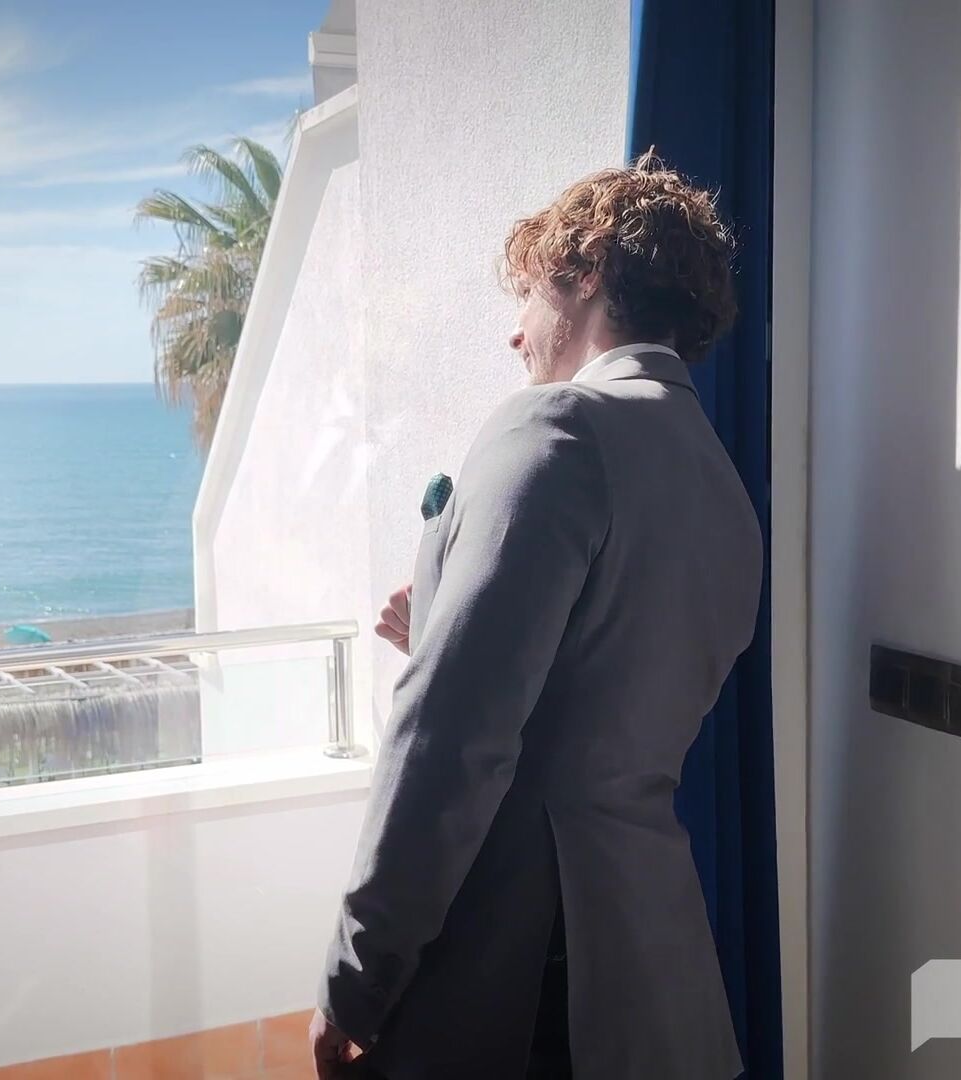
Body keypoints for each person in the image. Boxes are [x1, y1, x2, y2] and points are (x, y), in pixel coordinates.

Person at [311, 153, 762, 1080]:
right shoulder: (722, 484)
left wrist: (358, 974)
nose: (515, 333)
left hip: (526, 970)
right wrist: (443, 618)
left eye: (527, 294)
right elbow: (604, 676)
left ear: (585, 270)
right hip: (656, 964)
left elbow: (452, 739)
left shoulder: (556, 426)